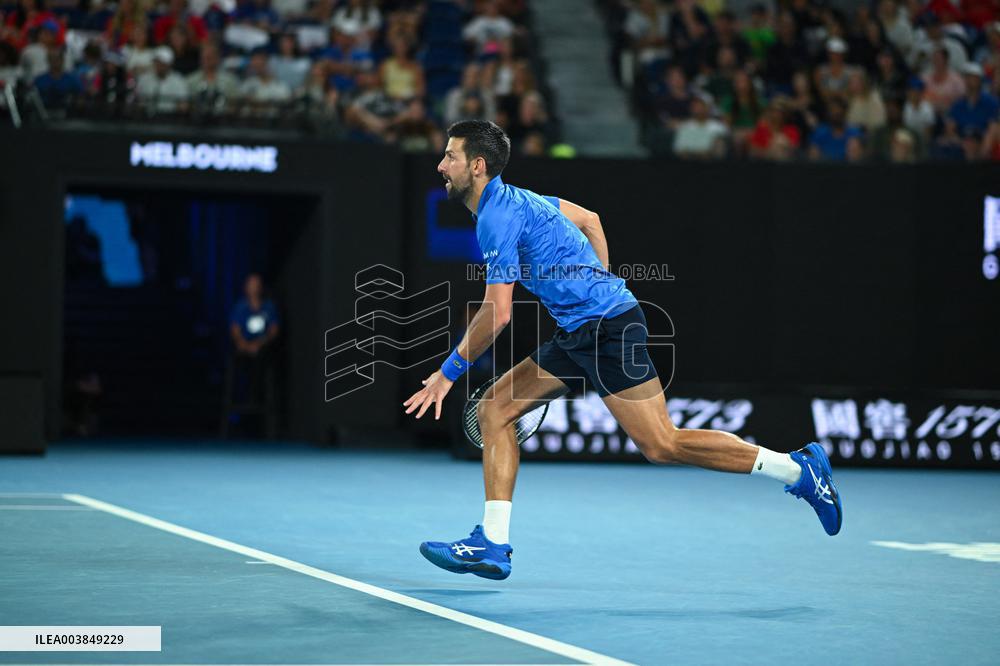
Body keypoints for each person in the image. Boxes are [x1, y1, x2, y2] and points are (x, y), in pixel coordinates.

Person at [405, 120, 843, 581]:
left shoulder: (497, 217)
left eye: (450, 156)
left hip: (606, 328)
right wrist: (594, 281)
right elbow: (591, 220)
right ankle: (493, 544)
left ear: (477, 166)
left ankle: (797, 470)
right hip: (580, 330)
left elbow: (497, 314)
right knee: (495, 409)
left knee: (662, 444)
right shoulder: (521, 201)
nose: (440, 165)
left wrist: (448, 373)